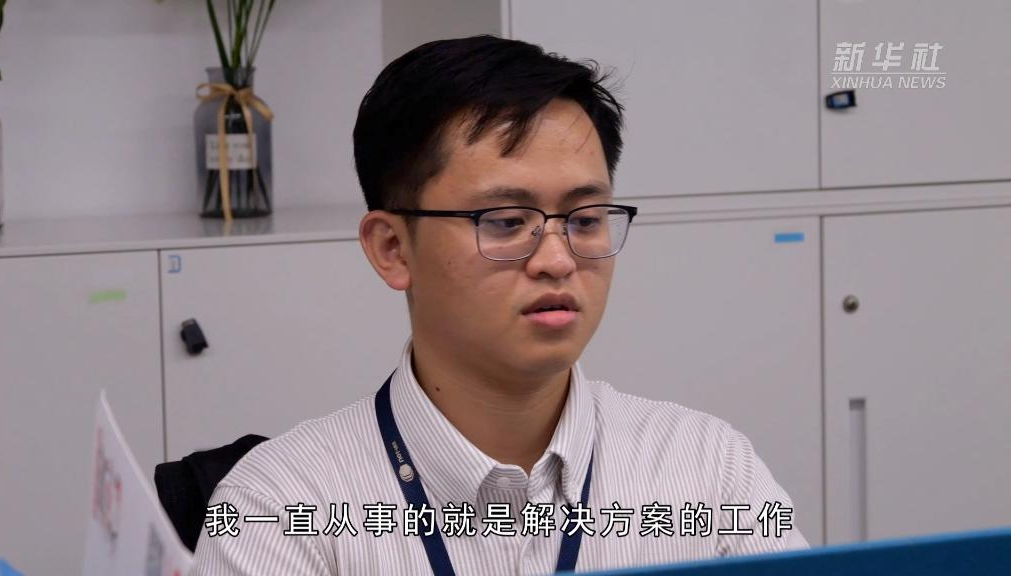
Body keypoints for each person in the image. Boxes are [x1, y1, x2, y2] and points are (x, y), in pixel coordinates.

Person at [192, 34, 808, 575]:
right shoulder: (279, 508)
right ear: (392, 249)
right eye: (508, 221)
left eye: (585, 219)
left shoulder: (707, 469)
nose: (557, 259)